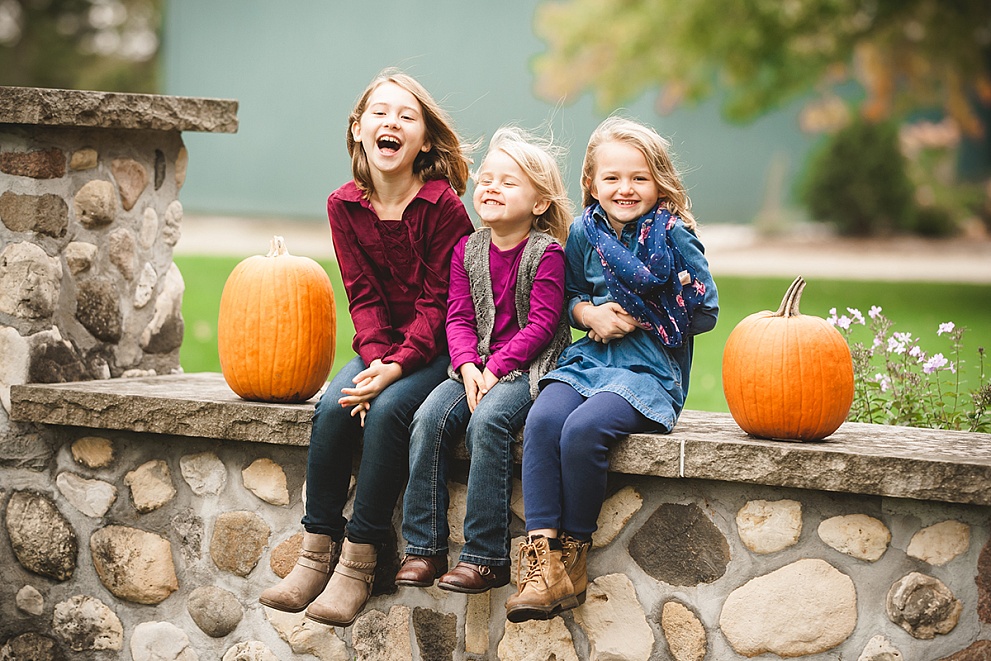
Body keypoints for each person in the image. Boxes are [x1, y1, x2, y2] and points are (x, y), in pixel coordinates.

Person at [259, 68, 474, 628]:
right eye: (380, 113)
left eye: (407, 116)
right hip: (383, 346)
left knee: (388, 411)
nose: (391, 123)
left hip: (440, 346)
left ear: (424, 140)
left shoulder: (442, 207)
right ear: (359, 130)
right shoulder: (344, 205)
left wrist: (395, 369)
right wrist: (377, 360)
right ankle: (317, 549)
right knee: (333, 408)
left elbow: (438, 303)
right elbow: (362, 294)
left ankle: (362, 557)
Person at [505, 116, 719, 623]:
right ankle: (544, 562)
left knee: (582, 431)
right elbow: (571, 298)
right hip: (592, 361)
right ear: (592, 184)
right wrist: (590, 314)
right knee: (542, 421)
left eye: (638, 178)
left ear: (659, 182)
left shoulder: (675, 236)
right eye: (612, 178)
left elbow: (706, 310)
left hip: (649, 371)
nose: (625, 189)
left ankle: (574, 555)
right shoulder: (583, 232)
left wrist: (648, 313)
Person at [395, 127, 572, 594]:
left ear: (539, 203)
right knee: (428, 417)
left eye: (508, 182)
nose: (491, 187)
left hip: (528, 369)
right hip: (474, 367)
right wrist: (470, 365)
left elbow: (540, 326)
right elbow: (457, 317)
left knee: (487, 423)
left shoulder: (547, 254)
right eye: (486, 178)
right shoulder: (467, 250)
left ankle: (486, 556)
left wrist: (495, 370)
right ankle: (425, 547)